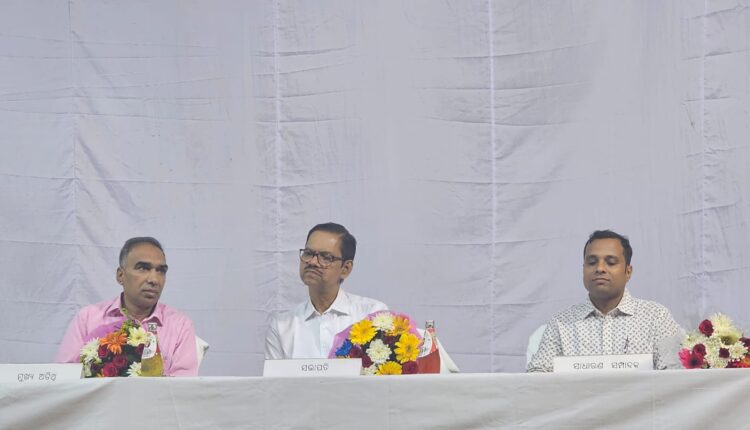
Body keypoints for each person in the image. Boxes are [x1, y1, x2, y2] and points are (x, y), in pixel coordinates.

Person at [527, 230, 681, 372]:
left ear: (628, 272)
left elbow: (674, 375)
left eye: (611, 262)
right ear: (583, 269)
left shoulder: (656, 317)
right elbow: (536, 377)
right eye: (592, 262)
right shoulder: (561, 323)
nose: (600, 268)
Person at [56, 237, 198, 376]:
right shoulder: (87, 319)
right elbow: (64, 377)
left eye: (161, 271)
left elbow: (184, 387)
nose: (154, 279)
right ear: (120, 275)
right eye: (143, 268)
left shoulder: (180, 325)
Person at [265, 223, 388, 359]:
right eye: (308, 253)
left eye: (326, 257)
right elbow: (275, 374)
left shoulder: (372, 315)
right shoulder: (282, 326)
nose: (312, 262)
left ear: (345, 269)